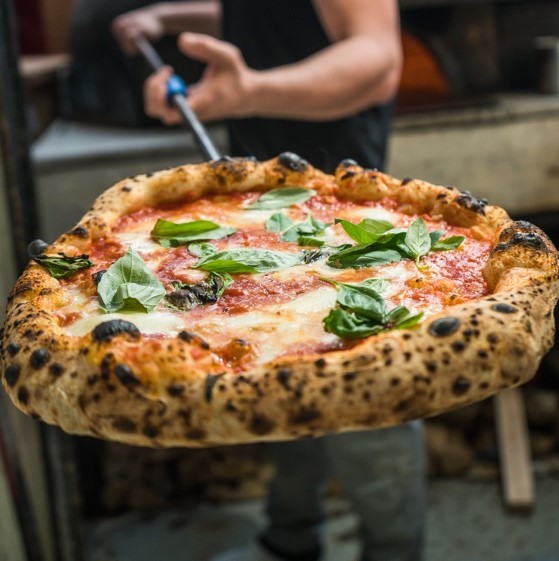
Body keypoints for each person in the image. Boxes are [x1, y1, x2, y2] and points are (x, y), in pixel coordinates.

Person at [113, 2, 427, 561]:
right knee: (276, 381)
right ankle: (289, 541)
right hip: (259, 217)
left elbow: (377, 58)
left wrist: (249, 90)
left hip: (343, 224)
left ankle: (395, 553)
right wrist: (165, 20)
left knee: (372, 410)